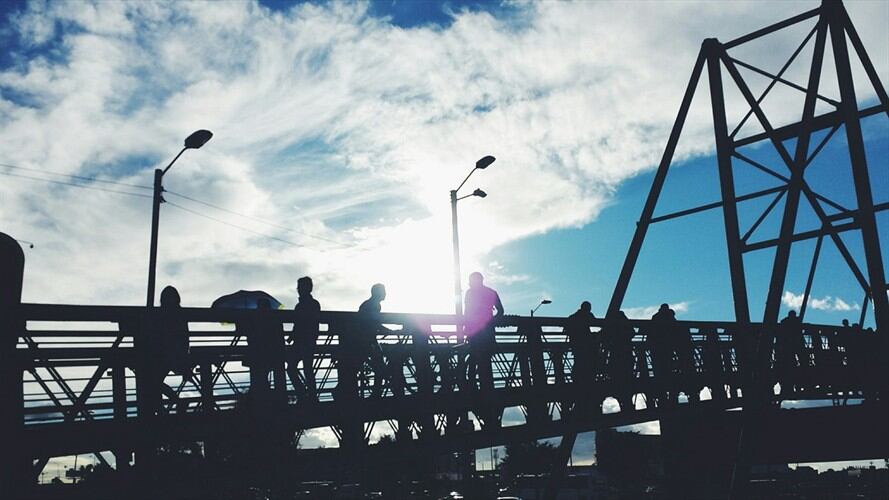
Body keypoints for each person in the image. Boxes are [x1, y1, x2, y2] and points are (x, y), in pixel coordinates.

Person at [153, 286, 192, 415]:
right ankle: (171, 404)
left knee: (153, 380)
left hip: (166, 355)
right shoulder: (180, 313)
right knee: (154, 380)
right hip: (177, 355)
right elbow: (185, 336)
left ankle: (163, 407)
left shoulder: (160, 313)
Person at [463, 272, 503, 394]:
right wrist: (490, 322)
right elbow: (500, 311)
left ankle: (473, 387)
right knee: (485, 361)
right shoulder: (491, 292)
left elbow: (467, 314)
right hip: (488, 334)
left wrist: (466, 329)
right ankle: (487, 389)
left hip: (475, 333)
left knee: (473, 359)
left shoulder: (469, 293)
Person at [289, 277, 321, 402]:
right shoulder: (314, 304)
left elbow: (299, 324)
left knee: (293, 368)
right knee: (307, 368)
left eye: (299, 287)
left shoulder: (301, 305)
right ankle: (311, 395)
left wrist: (293, 335)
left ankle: (303, 393)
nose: (298, 289)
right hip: (308, 340)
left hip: (303, 341)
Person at [358, 283, 389, 397]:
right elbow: (375, 323)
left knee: (373, 364)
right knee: (379, 365)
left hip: (363, 339)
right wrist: (389, 331)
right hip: (367, 340)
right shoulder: (375, 305)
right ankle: (376, 393)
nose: (386, 293)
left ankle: (376, 392)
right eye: (384, 291)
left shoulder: (368, 304)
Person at [567, 301, 598, 385]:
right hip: (585, 343)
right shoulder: (587, 315)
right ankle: (585, 376)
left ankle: (577, 376)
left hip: (576, 343)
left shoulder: (574, 316)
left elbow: (566, 326)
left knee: (578, 360)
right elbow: (596, 322)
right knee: (585, 360)